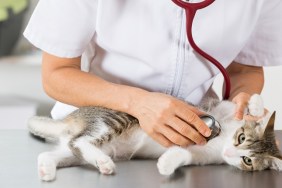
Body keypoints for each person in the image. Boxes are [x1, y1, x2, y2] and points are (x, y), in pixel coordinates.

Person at [24, 0, 282, 147]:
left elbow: (245, 69)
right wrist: (138, 103)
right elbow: (56, 74)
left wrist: (243, 96)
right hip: (96, 137)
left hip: (193, 141)